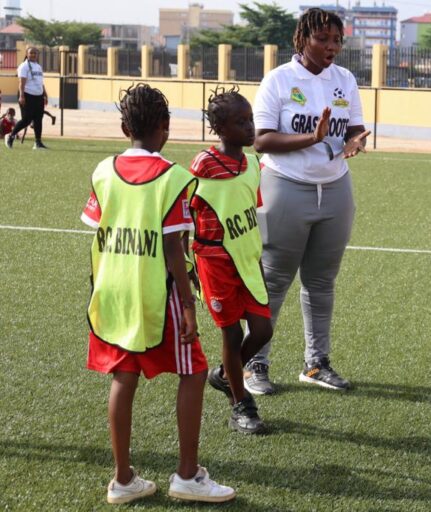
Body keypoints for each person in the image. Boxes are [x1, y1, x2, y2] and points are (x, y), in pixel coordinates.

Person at [80, 84, 235, 504]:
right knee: (195, 369)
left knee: (123, 376)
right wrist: (188, 306)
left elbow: (99, 232)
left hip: (113, 290)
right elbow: (173, 248)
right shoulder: (174, 177)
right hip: (158, 291)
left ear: (123, 126)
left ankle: (123, 479)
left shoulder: (103, 169)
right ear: (165, 128)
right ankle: (187, 475)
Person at [249, 7, 370, 394]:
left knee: (321, 282)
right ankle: (255, 364)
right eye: (323, 39)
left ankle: (316, 365)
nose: (331, 47)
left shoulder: (345, 79)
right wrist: (311, 139)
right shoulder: (279, 80)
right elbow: (260, 140)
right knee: (273, 280)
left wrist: (355, 142)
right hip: (283, 187)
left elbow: (354, 128)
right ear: (302, 39)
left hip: (335, 189)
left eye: (337, 40)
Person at [189, 86, 273, 434]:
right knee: (232, 333)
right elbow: (186, 214)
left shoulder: (253, 164)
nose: (250, 127)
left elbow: (248, 212)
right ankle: (241, 405)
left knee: (263, 329)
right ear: (221, 129)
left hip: (248, 260)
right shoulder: (203, 165)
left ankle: (226, 375)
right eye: (241, 122)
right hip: (215, 262)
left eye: (251, 119)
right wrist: (188, 264)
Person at [5, 47, 49, 150]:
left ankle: (38, 142)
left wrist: (45, 94)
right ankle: (11, 136)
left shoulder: (38, 66)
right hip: (27, 95)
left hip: (39, 96)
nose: (33, 55)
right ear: (27, 54)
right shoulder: (24, 66)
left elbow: (40, 83)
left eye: (35, 53)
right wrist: (22, 96)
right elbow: (21, 82)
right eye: (31, 53)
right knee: (26, 120)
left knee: (38, 119)